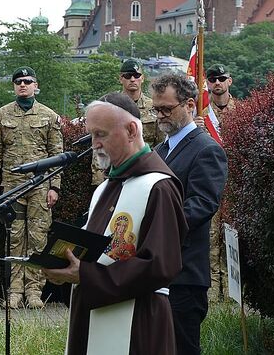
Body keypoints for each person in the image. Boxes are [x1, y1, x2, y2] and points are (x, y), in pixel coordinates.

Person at [43, 93, 186, 354]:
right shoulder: (105, 187)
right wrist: (62, 263)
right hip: (93, 313)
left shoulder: (158, 186)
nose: (94, 144)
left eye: (101, 134)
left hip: (138, 323)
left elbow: (161, 265)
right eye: (91, 135)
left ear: (131, 131)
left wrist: (86, 275)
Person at [151, 73, 228, 355]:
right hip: (156, 270)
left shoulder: (206, 149)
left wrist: (154, 225)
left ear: (190, 105)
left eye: (166, 109)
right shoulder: (160, 150)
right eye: (156, 109)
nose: (160, 116)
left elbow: (202, 204)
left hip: (184, 274)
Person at [0, 66, 63, 309]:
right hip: (12, 187)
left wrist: (55, 187)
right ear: (13, 86)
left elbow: (57, 155)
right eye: (18, 81)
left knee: (38, 239)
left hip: (40, 187)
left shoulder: (49, 116)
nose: (23, 84)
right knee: (14, 238)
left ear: (35, 86)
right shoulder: (2, 114)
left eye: (27, 81)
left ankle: (33, 291)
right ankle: (15, 291)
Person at [94, 59, 163, 187]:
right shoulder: (108, 106)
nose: (132, 79)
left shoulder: (154, 107)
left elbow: (161, 145)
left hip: (145, 171)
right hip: (114, 172)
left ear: (142, 78)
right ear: (121, 78)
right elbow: (99, 144)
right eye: (128, 76)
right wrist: (99, 182)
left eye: (136, 75)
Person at [201, 63, 235, 302]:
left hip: (234, 185)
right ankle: (213, 292)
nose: (217, 83)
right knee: (210, 237)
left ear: (229, 81)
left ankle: (233, 291)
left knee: (231, 235)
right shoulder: (201, 115)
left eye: (221, 79)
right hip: (210, 185)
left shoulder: (243, 111)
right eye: (212, 79)